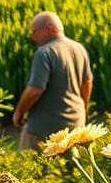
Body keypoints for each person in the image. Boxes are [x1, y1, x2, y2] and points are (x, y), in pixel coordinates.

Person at [12, 11, 93, 150]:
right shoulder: (78, 48)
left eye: (35, 31)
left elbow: (35, 90)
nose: (32, 37)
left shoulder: (44, 53)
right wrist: (83, 107)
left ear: (49, 30)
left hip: (45, 130)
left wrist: (19, 112)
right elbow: (87, 82)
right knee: (72, 169)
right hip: (76, 124)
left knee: (31, 168)